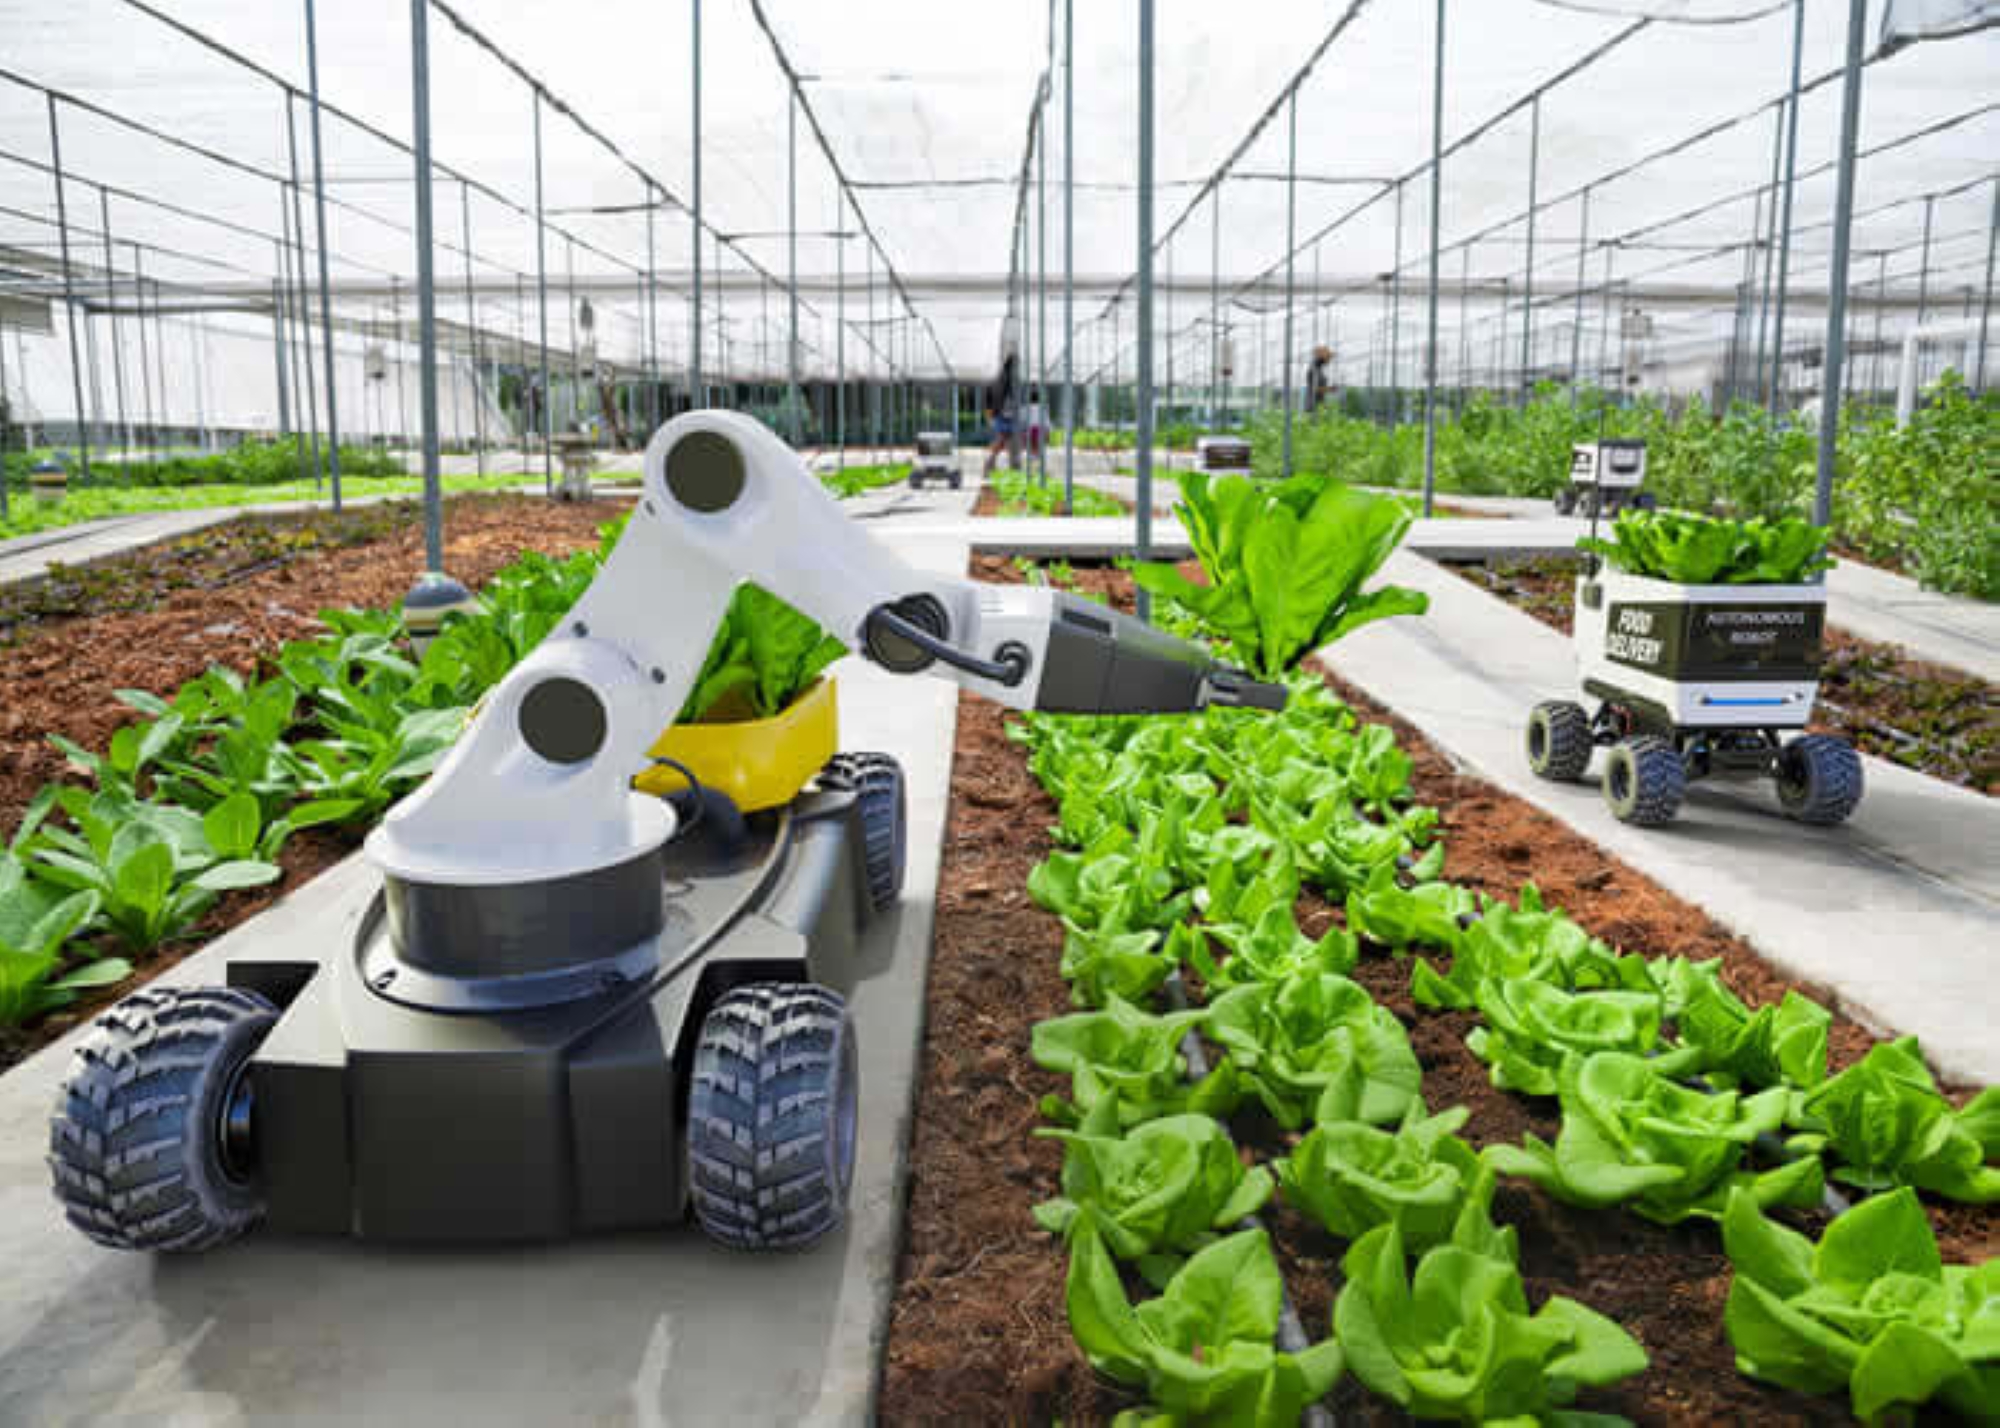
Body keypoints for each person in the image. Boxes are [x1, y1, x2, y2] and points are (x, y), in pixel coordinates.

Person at [983, 350, 1021, 477]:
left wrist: (990, 413)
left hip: (1000, 414)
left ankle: (992, 465)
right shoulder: (1008, 378)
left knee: (1003, 440)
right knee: (1004, 440)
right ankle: (991, 465)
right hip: (1005, 415)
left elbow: (991, 395)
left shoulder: (1001, 377)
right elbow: (1009, 397)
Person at [1305, 344, 1333, 414]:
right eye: (1328, 357)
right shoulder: (1313, 370)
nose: (1329, 360)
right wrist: (1329, 389)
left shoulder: (1318, 369)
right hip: (1313, 407)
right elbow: (1315, 389)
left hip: (1318, 405)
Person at [1022, 385, 1047, 461]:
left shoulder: (1027, 407)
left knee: (1032, 443)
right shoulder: (1042, 407)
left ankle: (1033, 455)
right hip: (1039, 428)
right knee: (1036, 443)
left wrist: (1023, 429)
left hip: (1030, 428)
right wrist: (1047, 429)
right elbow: (1045, 419)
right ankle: (1036, 455)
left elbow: (1023, 419)